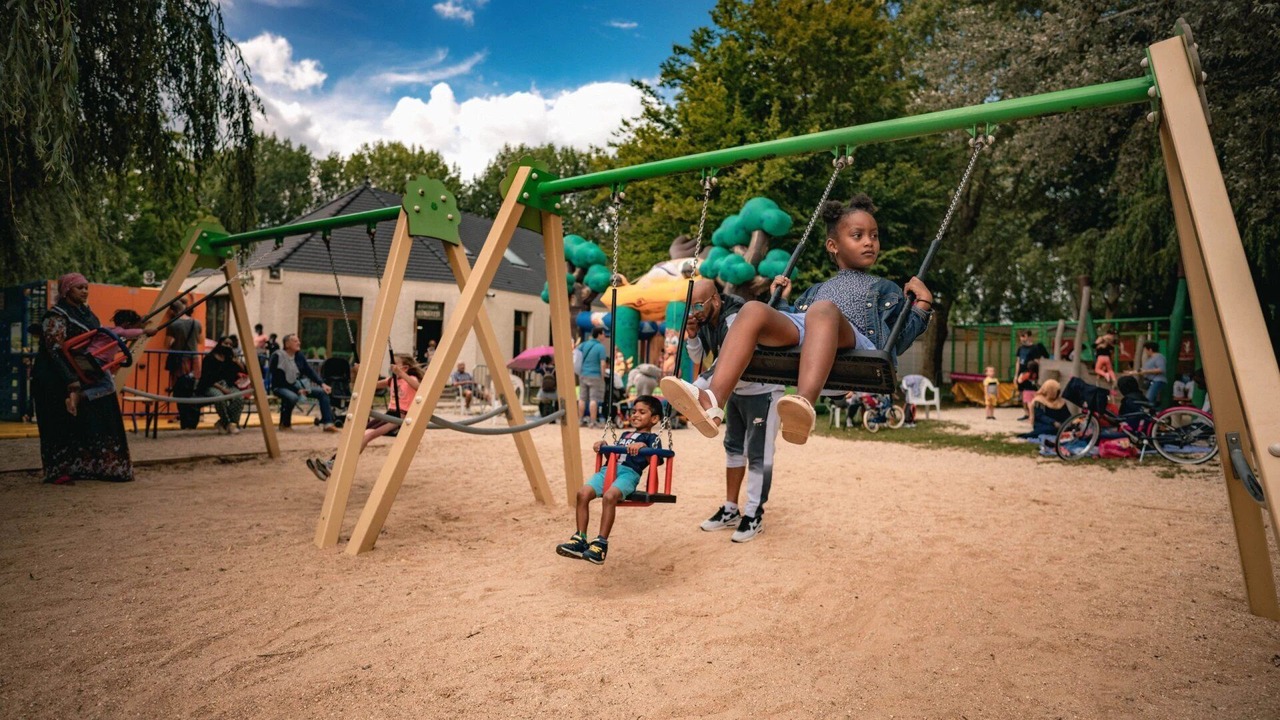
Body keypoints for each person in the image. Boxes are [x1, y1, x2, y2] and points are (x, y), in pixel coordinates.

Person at [660, 193, 932, 445]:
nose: (868, 242)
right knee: (753, 309)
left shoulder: (885, 289)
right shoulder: (816, 291)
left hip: (858, 345)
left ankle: (802, 404)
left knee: (822, 310)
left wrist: (922, 305)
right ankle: (713, 400)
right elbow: (796, 324)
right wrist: (781, 301)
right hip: (813, 333)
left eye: (874, 235)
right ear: (833, 246)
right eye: (858, 235)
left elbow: (901, 335)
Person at [683, 277, 789, 543]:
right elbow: (698, 358)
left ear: (715, 300)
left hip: (763, 390)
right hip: (737, 391)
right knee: (732, 450)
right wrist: (693, 336)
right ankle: (731, 509)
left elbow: (726, 360)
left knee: (758, 454)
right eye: (689, 306)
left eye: (697, 304)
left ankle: (754, 514)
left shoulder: (736, 318)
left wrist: (697, 388)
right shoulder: (707, 320)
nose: (694, 311)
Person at [31, 273, 135, 484]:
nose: (85, 291)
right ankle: (59, 471)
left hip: (83, 373)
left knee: (101, 412)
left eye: (86, 287)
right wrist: (70, 380)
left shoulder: (88, 315)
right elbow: (54, 350)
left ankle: (102, 465)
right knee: (58, 421)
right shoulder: (56, 316)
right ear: (67, 290)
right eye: (80, 288)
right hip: (54, 376)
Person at [554, 395, 664, 565]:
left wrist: (645, 448)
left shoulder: (652, 439)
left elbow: (657, 461)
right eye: (633, 411)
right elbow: (615, 454)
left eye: (642, 412)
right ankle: (580, 538)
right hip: (608, 470)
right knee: (582, 493)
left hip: (629, 474)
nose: (635, 415)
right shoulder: (625, 434)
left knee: (609, 497)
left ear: (655, 418)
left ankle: (600, 544)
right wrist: (603, 446)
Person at [307, 355, 422, 480]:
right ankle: (331, 463)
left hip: (400, 418)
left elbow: (418, 387)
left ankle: (335, 465)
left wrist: (400, 373)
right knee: (358, 436)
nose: (392, 366)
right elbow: (370, 385)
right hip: (389, 414)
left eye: (395, 364)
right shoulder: (391, 380)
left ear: (405, 368)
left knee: (368, 435)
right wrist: (361, 372)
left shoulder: (411, 378)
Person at [65, 309, 156, 416]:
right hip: (98, 360)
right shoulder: (117, 331)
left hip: (88, 358)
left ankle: (74, 401)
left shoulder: (108, 331)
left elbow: (118, 344)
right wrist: (144, 331)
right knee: (108, 387)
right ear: (126, 324)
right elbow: (125, 333)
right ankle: (78, 396)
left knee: (93, 382)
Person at [270, 333, 337, 431]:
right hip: (280, 387)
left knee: (322, 393)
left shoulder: (299, 356)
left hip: (299, 386)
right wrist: (297, 390)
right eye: (295, 341)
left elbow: (309, 371)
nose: (299, 343)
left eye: (299, 341)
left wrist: (322, 384)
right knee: (292, 397)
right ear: (287, 344)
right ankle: (285, 424)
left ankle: (328, 423)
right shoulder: (278, 356)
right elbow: (278, 379)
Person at [197, 342, 245, 434]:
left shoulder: (229, 360)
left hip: (227, 385)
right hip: (211, 385)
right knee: (220, 398)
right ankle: (227, 423)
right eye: (226, 343)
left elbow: (243, 371)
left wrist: (238, 362)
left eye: (231, 344)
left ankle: (228, 423)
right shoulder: (209, 358)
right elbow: (207, 378)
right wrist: (223, 389)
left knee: (239, 397)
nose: (228, 346)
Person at [164, 298, 203, 389]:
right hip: (194, 358)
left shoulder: (173, 324)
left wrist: (175, 342)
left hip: (179, 359)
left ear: (172, 311)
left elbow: (166, 345)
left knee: (179, 386)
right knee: (193, 385)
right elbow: (200, 341)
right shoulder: (196, 323)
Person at [1014, 329, 1049, 422]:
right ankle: (1026, 413)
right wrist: (1016, 375)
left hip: (1029, 375)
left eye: (1024, 336)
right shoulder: (1020, 348)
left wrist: (1033, 375)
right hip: (1021, 374)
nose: (1022, 338)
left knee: (1031, 394)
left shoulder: (1034, 348)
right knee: (1022, 393)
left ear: (1029, 337)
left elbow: (1037, 362)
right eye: (1021, 336)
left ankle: (1033, 414)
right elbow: (1018, 362)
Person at [577, 328, 608, 427]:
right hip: (595, 375)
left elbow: (576, 353)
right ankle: (592, 421)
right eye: (603, 334)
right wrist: (602, 377)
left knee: (582, 398)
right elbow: (603, 363)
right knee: (593, 399)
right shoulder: (600, 347)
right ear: (599, 335)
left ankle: (580, 420)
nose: (604, 336)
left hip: (583, 374)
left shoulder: (584, 344)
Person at [1126, 341, 1167, 407]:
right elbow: (1142, 370)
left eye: (1146, 350)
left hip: (1157, 381)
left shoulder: (1159, 357)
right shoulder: (1150, 359)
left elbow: (1161, 369)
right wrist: (1132, 372)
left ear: (1150, 349)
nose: (1145, 352)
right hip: (1150, 381)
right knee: (1151, 401)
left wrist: (1146, 371)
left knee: (1148, 399)